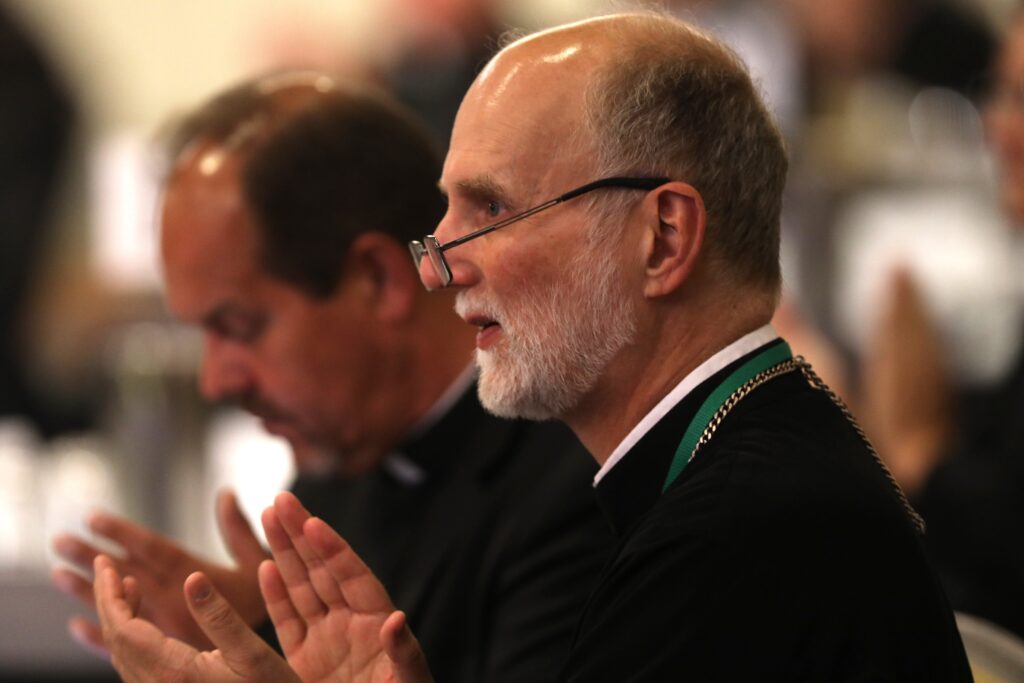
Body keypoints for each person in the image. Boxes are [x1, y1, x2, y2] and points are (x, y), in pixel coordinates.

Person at [91, 13, 971, 682]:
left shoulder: (735, 536)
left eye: (491, 210)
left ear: (662, 238)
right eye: (447, 212)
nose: (440, 265)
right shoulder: (726, 471)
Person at [53, 72, 610, 683]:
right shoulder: (344, 459)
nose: (215, 381)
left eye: (239, 327)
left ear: (380, 279)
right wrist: (256, 634)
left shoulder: (579, 484)